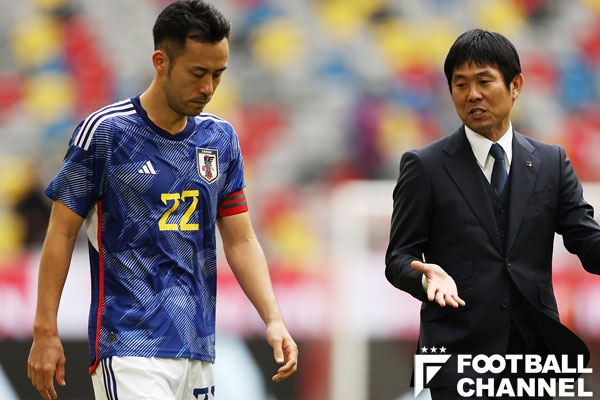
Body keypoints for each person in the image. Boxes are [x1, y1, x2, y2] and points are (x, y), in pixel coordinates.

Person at [27, 1, 298, 399]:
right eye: (198, 73)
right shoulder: (106, 133)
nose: (208, 88)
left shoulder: (220, 139)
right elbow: (62, 232)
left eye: (218, 75)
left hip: (197, 348)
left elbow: (241, 240)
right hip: (128, 345)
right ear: (161, 62)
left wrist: (273, 318)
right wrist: (45, 329)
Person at [385, 29, 600, 399]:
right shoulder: (424, 166)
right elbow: (398, 257)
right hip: (455, 359)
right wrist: (424, 280)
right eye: (461, 84)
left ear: (515, 86)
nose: (473, 94)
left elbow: (588, 241)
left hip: (535, 361)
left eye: (484, 82)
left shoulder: (552, 163)